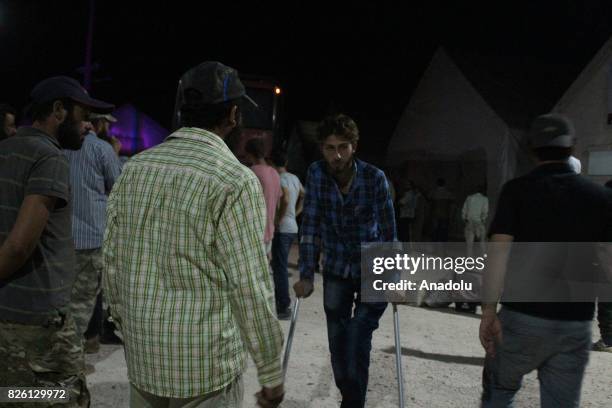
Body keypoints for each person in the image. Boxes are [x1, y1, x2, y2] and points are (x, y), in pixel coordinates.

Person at [103, 61, 284, 408]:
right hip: (205, 366)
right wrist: (270, 370)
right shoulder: (233, 180)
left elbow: (112, 261)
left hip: (145, 357)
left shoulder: (136, 169)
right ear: (233, 115)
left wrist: (127, 327)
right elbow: (248, 283)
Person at [479, 113, 612, 406]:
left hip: (522, 316)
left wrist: (488, 311)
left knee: (499, 391)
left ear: (532, 148)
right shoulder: (599, 198)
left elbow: (498, 253)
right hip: (574, 322)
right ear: (573, 147)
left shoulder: (517, 191)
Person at [0, 76, 114, 406]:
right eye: (84, 117)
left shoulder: (6, 150)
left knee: (11, 395)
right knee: (63, 395)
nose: (90, 127)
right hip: (37, 326)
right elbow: (19, 246)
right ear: (59, 111)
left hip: (7, 312)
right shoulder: (49, 158)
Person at [294, 113, 396, 408]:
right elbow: (310, 224)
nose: (336, 155)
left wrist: (395, 277)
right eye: (329, 148)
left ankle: (352, 404)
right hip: (337, 265)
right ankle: (351, 397)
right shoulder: (316, 173)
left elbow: (389, 230)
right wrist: (306, 274)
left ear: (354, 147)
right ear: (322, 149)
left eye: (343, 147)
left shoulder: (374, 178)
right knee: (338, 340)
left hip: (372, 266)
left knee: (357, 334)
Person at [63, 112, 123, 353]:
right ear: (97, 123)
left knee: (62, 303)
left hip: (58, 239)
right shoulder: (100, 149)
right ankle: (69, 362)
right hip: (90, 238)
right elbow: (118, 187)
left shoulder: (56, 146)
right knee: (81, 305)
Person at [270, 150, 304, 319]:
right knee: (279, 266)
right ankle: (280, 303)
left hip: (282, 228)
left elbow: (285, 199)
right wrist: (295, 212)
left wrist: (279, 218)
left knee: (280, 268)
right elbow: (304, 195)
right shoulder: (294, 178)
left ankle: (283, 306)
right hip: (292, 226)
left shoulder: (278, 179)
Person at [245, 137, 282, 258]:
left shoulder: (250, 173)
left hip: (252, 232)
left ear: (249, 154)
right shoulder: (275, 174)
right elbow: (279, 201)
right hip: (269, 231)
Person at [462, 185, 488, 257]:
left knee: (469, 245)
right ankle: (484, 257)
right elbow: (485, 211)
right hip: (479, 222)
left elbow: (464, 210)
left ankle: (469, 260)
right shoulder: (484, 199)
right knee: (482, 242)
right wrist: (483, 220)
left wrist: (465, 219)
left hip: (469, 222)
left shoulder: (469, 198)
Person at [430, 178, 454, 242]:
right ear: (444, 184)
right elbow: (451, 205)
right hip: (445, 214)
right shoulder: (448, 193)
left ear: (437, 183)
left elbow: (431, 203)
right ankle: (443, 248)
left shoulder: (433, 192)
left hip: (435, 214)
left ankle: (435, 247)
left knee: (435, 231)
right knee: (444, 231)